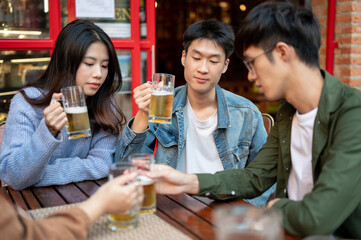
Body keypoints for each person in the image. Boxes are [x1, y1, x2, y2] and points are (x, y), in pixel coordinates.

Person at [138, 2, 361, 239]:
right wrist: (186, 181)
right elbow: (255, 177)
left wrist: (275, 208)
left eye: (252, 62)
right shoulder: (288, 112)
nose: (250, 75)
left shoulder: (352, 113)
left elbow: (318, 217)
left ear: (283, 53)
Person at [115, 19, 271, 206]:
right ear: (183, 58)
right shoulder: (163, 106)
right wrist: (142, 114)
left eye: (213, 61)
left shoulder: (246, 113)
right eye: (196, 58)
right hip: (173, 206)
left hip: (226, 208)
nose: (203, 69)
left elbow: (266, 181)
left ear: (225, 65)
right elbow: (127, 167)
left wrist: (241, 216)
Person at [0, 19, 126, 190]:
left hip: (85, 201)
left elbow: (103, 164)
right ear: (67, 63)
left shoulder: (103, 101)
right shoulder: (26, 103)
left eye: (104, 66)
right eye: (89, 64)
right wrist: (49, 130)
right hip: (33, 206)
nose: (99, 74)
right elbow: (14, 176)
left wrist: (39, 175)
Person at [0, 172, 143, 240]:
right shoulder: (24, 112)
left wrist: (39, 174)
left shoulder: (104, 113)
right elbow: (17, 177)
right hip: (42, 201)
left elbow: (102, 165)